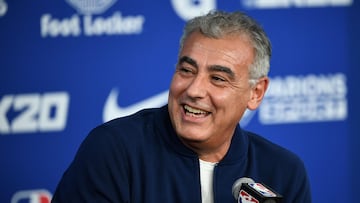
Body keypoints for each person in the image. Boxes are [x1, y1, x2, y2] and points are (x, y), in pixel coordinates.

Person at [52, 10, 311, 203]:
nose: (194, 90)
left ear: (255, 93)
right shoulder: (113, 150)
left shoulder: (284, 171)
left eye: (218, 79)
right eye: (186, 70)